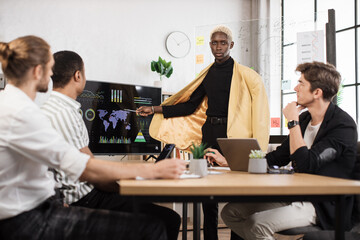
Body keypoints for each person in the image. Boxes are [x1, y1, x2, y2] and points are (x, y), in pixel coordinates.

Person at [0, 35, 186, 240]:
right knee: (153, 227)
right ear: (37, 71)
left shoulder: (18, 107)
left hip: (39, 207)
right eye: (49, 68)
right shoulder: (22, 113)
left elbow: (55, 167)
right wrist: (152, 169)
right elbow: (84, 167)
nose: (52, 75)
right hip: (29, 219)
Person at [137, 25, 270, 240]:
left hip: (235, 135)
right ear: (210, 45)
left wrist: (259, 147)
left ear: (231, 45)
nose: (218, 47)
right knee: (208, 192)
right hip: (210, 133)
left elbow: (261, 115)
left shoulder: (248, 76)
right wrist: (154, 109)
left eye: (223, 43)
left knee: (238, 188)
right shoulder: (206, 74)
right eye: (215, 43)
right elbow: (189, 106)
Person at [206, 61, 358, 240]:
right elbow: (278, 156)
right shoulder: (305, 119)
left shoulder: (343, 126)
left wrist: (292, 122)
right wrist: (229, 161)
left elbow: (306, 164)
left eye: (301, 83)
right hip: (294, 196)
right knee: (231, 212)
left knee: (257, 224)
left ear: (317, 92)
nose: (295, 88)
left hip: (322, 205)